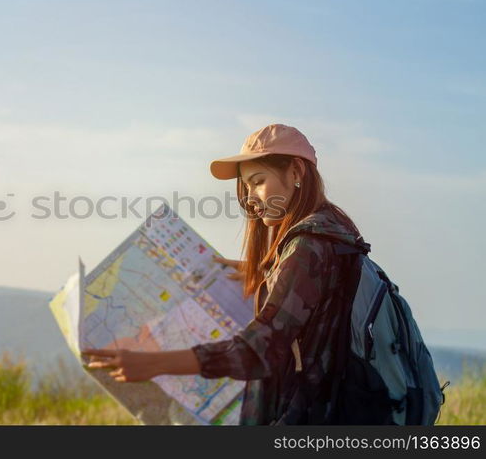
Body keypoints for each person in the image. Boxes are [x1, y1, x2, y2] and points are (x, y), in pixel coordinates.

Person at [82, 123, 364, 425]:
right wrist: (271, 273)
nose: (250, 197)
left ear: (296, 172)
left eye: (258, 181)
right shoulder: (336, 229)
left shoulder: (308, 246)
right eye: (245, 187)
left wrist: (153, 363)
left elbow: (259, 348)